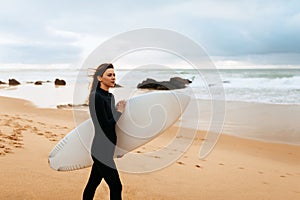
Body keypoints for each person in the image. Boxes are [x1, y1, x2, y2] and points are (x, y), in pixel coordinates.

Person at [83, 63, 126, 200]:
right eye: (109, 75)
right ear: (100, 78)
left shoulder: (110, 97)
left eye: (114, 75)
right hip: (100, 150)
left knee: (93, 183)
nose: (113, 77)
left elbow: (113, 126)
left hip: (108, 149)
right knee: (116, 186)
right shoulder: (96, 96)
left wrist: (118, 149)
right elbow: (106, 125)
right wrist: (119, 112)